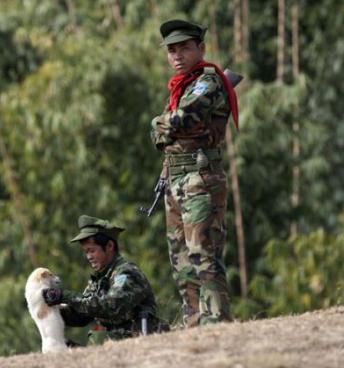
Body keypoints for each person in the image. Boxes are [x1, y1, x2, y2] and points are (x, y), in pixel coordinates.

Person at [150, 19, 238, 327]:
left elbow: (184, 120)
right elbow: (165, 138)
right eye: (171, 50)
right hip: (176, 180)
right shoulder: (180, 89)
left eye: (184, 48)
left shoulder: (208, 83)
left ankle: (218, 323)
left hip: (200, 180)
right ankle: (194, 325)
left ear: (200, 48)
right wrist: (166, 126)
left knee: (203, 255)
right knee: (182, 263)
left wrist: (158, 123)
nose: (177, 56)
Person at [42, 215, 162, 342]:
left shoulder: (126, 273)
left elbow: (111, 306)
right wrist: (49, 311)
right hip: (111, 345)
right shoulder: (99, 279)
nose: (88, 256)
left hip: (136, 343)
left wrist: (64, 296)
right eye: (85, 252)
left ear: (109, 246)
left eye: (91, 250)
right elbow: (82, 316)